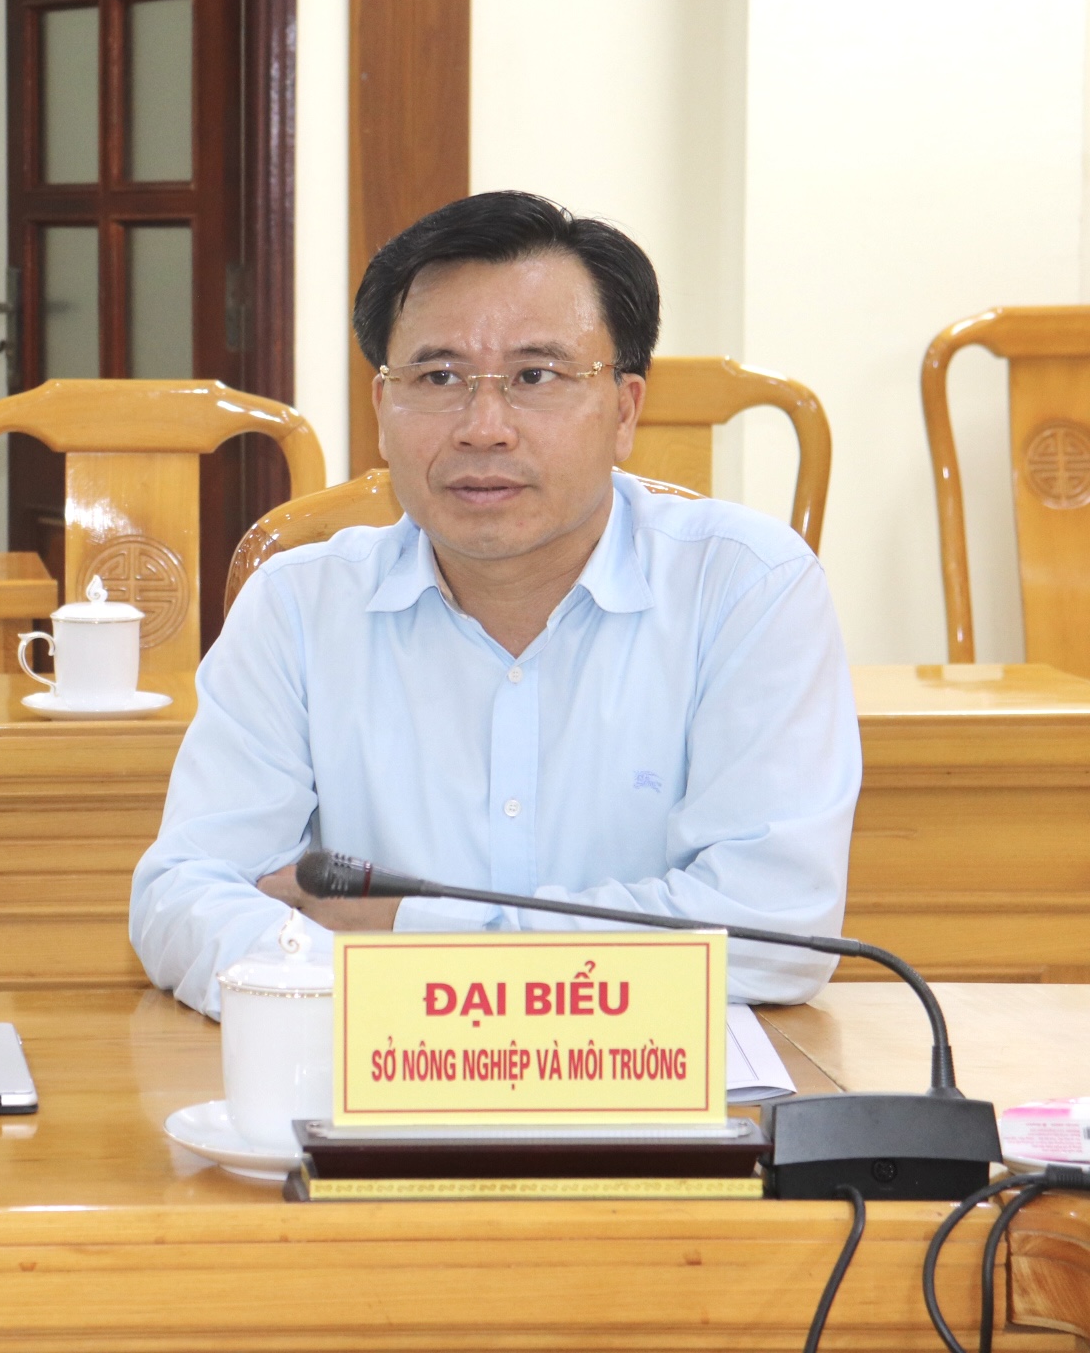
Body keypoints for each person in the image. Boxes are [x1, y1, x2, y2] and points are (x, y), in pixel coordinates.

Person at [131, 190, 858, 1015]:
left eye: (535, 376)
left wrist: (402, 931)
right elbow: (182, 899)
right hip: (375, 1076)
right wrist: (433, 989)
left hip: (654, 1089)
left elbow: (773, 933)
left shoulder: (747, 589)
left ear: (625, 410)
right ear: (382, 411)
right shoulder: (296, 607)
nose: (483, 427)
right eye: (438, 376)